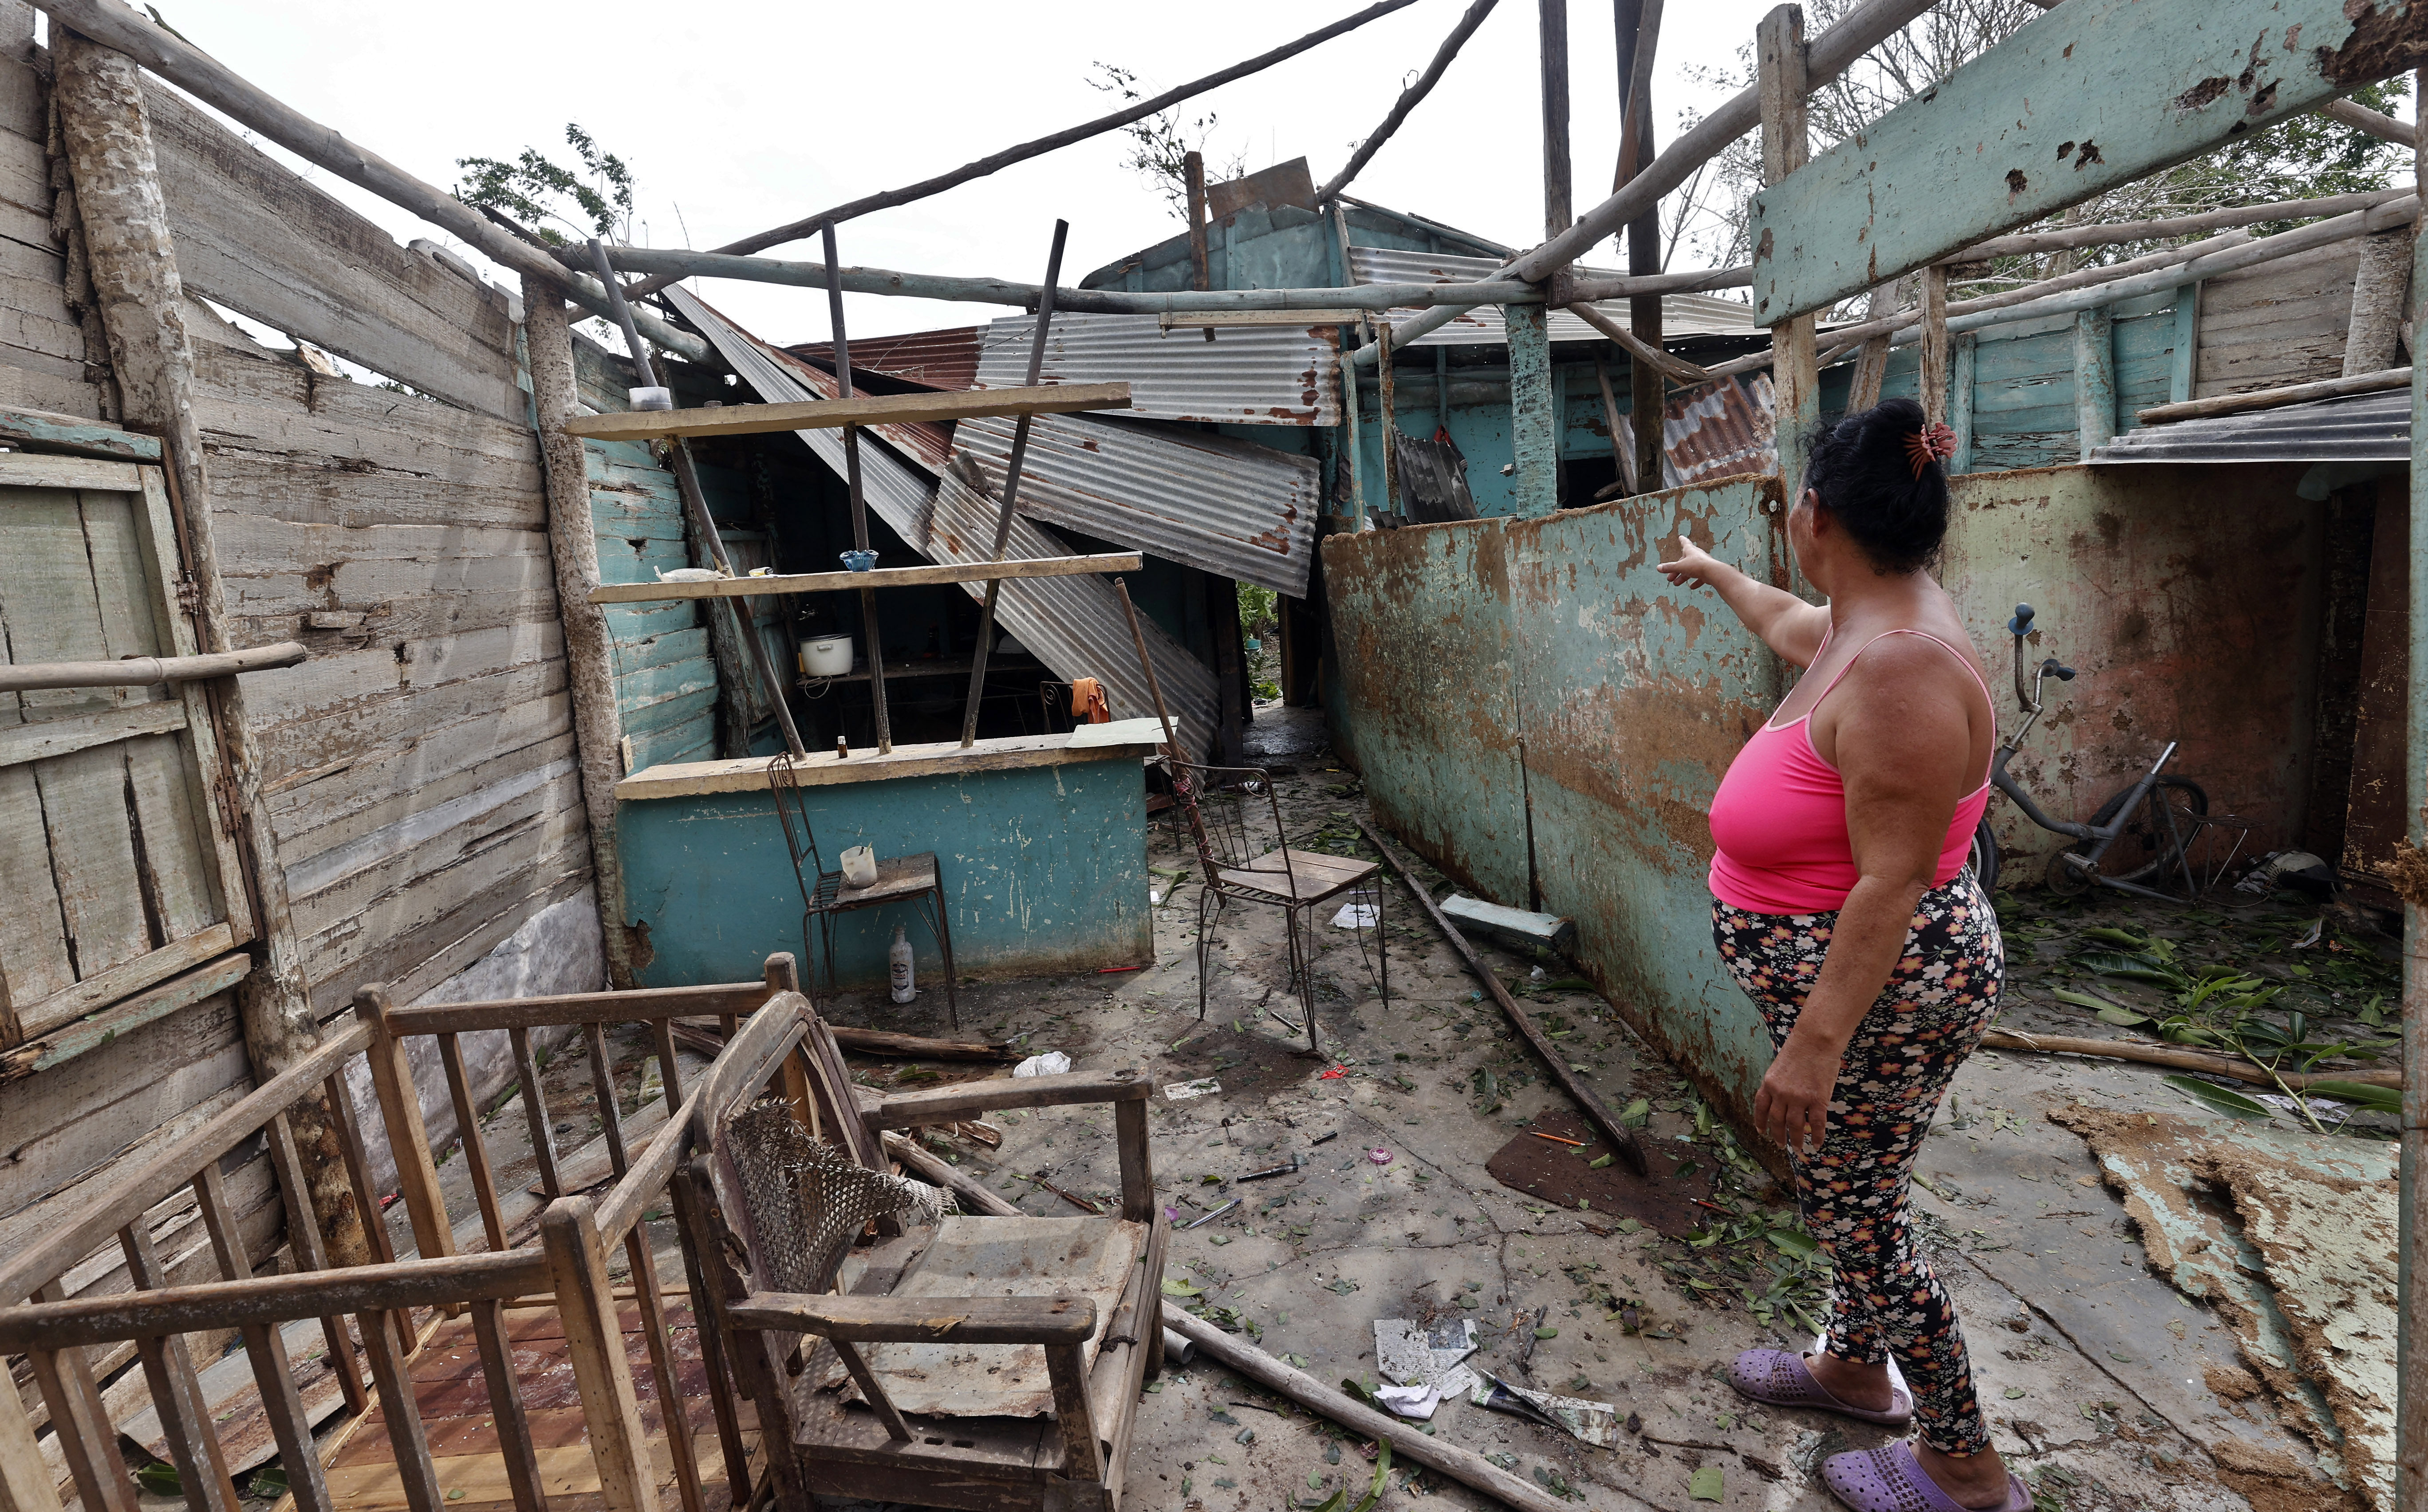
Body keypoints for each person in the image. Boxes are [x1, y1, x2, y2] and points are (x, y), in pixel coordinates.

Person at [1656, 396, 2026, 1512]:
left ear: (1814, 515)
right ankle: (1855, 1370)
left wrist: (1814, 1044)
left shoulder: (1902, 667)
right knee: (1866, 1187)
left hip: (1882, 997)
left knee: (1854, 1216)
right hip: (1875, 992)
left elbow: (1893, 882)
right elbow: (1785, 623)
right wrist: (1713, 573)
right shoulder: (1868, 621)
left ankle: (1963, 1462)